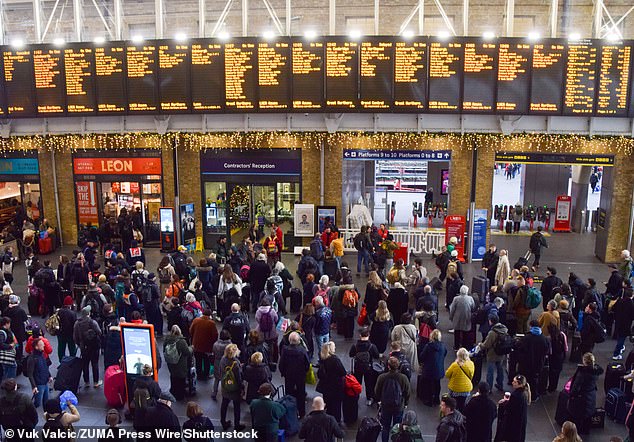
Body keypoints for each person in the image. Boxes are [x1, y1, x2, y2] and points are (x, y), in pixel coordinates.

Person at [375, 356, 410, 442]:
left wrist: (379, 401)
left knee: (385, 427)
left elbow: (377, 391)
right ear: (398, 366)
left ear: (388, 366)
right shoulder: (403, 378)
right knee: (397, 427)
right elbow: (407, 392)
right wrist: (405, 403)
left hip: (385, 406)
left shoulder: (382, 377)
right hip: (398, 406)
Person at [567, 352, 603, 435]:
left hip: (582, 398)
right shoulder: (596, 371)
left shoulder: (582, 374)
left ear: (584, 361)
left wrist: (571, 395)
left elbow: (576, 388)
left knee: (579, 416)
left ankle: (577, 433)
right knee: (588, 414)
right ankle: (586, 431)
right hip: (591, 395)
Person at [279, 331, 310, 417]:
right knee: (301, 393)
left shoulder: (285, 350)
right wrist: (305, 372)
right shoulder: (302, 350)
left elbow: (281, 364)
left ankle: (290, 412)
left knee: (289, 394)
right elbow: (307, 363)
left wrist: (283, 373)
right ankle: (302, 412)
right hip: (300, 375)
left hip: (289, 375)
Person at [349, 326, 380, 406]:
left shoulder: (355, 346)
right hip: (368, 367)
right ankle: (369, 398)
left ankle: (356, 397)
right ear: (368, 335)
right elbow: (376, 355)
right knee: (369, 383)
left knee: (357, 382)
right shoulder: (372, 346)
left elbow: (351, 354)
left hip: (357, 367)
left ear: (360, 335)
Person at [316, 341, 346, 424]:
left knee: (328, 405)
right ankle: (337, 422)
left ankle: (328, 420)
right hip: (336, 387)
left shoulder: (323, 359)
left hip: (325, 387)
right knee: (336, 406)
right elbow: (343, 372)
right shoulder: (335, 360)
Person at [73, 305, 102, 388]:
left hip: (84, 347)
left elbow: (75, 337)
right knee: (95, 363)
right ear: (88, 313)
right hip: (94, 346)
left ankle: (87, 382)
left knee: (85, 364)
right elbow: (99, 332)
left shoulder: (77, 323)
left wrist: (80, 344)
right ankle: (96, 382)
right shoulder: (92, 322)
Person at [477, 314, 508, 392]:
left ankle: (489, 388)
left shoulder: (492, 332)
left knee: (490, 372)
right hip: (501, 353)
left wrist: (480, 344)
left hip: (492, 354)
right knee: (500, 369)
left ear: (491, 321)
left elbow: (486, 345)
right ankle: (500, 384)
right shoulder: (504, 329)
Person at [496, 375, 530, 442]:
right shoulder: (524, 393)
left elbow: (509, 408)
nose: (512, 383)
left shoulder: (515, 395)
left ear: (519, 384)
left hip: (515, 422)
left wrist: (503, 403)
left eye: (515, 382)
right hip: (521, 419)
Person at [418, 329, 447, 406]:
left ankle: (429, 401)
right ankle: (437, 399)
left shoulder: (428, 346)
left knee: (429, 385)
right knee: (437, 384)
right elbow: (445, 353)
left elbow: (422, 356)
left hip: (429, 370)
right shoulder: (443, 346)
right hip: (439, 369)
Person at [163, 324, 192, 400]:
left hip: (170, 363)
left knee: (173, 377)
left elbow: (164, 350)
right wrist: (191, 348)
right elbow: (187, 352)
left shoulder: (167, 339)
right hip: (180, 363)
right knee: (181, 379)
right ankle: (180, 395)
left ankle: (173, 392)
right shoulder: (181, 341)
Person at [219, 343, 244, 431]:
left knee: (224, 404)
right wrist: (242, 388)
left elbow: (220, 372)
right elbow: (239, 378)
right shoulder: (235, 363)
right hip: (234, 389)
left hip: (225, 386)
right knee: (237, 406)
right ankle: (237, 425)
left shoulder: (222, 359)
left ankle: (223, 422)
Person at [189, 308, 218, 381]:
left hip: (196, 345)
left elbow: (190, 330)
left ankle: (199, 374)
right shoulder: (211, 323)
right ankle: (206, 374)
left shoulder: (196, 320)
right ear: (209, 315)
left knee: (198, 361)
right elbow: (215, 335)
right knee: (206, 361)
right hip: (207, 346)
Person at [25, 338, 52, 409]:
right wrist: (34, 386)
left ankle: (47, 416)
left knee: (45, 402)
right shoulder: (32, 358)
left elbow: (45, 367)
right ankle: (29, 413)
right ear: (36, 347)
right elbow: (30, 374)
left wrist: (49, 376)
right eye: (41, 344)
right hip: (39, 384)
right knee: (37, 403)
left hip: (44, 382)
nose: (43, 345)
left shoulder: (41, 355)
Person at [445, 348, 474, 412]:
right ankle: (461, 416)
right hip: (466, 389)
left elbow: (447, 374)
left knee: (453, 404)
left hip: (455, 389)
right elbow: (471, 375)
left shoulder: (455, 365)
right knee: (462, 404)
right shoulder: (471, 364)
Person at [449, 285, 475, 350]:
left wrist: (451, 317)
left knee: (457, 333)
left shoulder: (456, 299)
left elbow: (452, 309)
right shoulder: (470, 298)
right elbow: (473, 307)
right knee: (465, 333)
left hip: (457, 318)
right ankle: (464, 346)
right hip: (467, 317)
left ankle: (456, 346)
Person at [612, 287, 634, 360]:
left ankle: (620, 348)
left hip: (618, 322)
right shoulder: (631, 304)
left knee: (619, 337)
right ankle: (616, 353)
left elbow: (614, 309)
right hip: (626, 324)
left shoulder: (620, 301)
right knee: (622, 338)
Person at [212, 329, 232, 400]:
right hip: (226, 364)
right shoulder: (230, 346)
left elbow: (213, 353)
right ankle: (225, 394)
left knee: (217, 379)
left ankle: (214, 393)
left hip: (217, 363)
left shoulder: (215, 344)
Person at [57, 296, 77, 361]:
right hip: (70, 334)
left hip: (60, 333)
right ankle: (72, 361)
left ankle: (61, 361)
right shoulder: (72, 313)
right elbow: (75, 324)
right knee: (72, 348)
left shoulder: (59, 312)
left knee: (61, 348)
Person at [0, 317, 17, 381]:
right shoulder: (2, 332)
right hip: (7, 354)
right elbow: (1, 344)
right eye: (9, 323)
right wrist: (10, 345)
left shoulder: (5, 331)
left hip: (6, 354)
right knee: (11, 367)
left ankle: (8, 382)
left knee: (7, 368)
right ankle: (10, 383)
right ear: (6, 324)